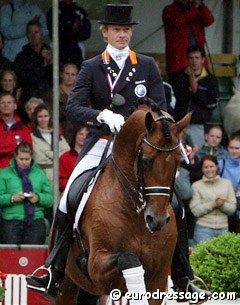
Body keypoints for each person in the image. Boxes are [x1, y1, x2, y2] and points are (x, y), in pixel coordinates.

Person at [26, 4, 210, 303]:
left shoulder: (146, 65)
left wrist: (169, 136)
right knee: (70, 195)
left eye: (126, 30)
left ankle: (184, 277)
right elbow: (73, 107)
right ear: (105, 32)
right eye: (116, 30)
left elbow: (161, 109)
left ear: (131, 32)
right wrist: (101, 116)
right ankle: (53, 270)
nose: (122, 34)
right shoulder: (91, 66)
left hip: (140, 144)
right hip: (101, 140)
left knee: (175, 200)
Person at [0, 142, 53, 244]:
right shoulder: (4, 174)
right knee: (12, 257)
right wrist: (12, 198)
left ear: (31, 157)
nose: (24, 162)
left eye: (27, 159)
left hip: (35, 220)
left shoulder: (40, 174)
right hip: (11, 221)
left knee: (33, 256)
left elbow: (50, 199)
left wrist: (38, 198)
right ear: (15, 157)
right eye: (21, 159)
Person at [171, 45, 219, 149]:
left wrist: (196, 91)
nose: (194, 61)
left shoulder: (211, 80)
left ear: (203, 59)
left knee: (196, 156)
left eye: (197, 58)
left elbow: (212, 104)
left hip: (198, 125)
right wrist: (189, 90)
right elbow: (175, 101)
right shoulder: (179, 77)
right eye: (191, 58)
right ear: (187, 59)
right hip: (179, 124)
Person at [190, 155, 236, 244]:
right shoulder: (196, 186)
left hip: (223, 228)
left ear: (217, 167)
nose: (209, 169)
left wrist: (222, 204)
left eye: (211, 166)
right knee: (204, 257)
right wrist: (214, 203)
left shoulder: (227, 183)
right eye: (206, 167)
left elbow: (232, 208)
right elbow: (195, 211)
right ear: (202, 169)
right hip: (203, 229)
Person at [162, 0, 214, 78]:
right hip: (178, 63)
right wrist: (195, 8)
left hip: (197, 63)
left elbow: (209, 20)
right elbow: (178, 21)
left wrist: (201, 5)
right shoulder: (169, 10)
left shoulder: (196, 9)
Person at [13, 20, 53, 104]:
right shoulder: (21, 57)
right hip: (29, 101)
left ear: (41, 34)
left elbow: (57, 78)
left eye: (36, 32)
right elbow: (25, 79)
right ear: (27, 35)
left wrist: (49, 63)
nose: (33, 36)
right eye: (30, 33)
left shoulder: (52, 54)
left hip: (49, 100)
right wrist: (43, 63)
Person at [47, 0, 91, 68]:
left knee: (76, 70)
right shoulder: (54, 11)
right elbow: (52, 33)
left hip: (76, 46)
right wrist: (71, 29)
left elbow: (86, 33)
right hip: (58, 46)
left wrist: (76, 31)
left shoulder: (80, 12)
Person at [44, 63, 79, 144]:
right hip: (58, 134)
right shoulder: (51, 94)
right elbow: (49, 114)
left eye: (73, 74)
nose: (70, 77)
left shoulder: (81, 94)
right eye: (67, 73)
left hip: (77, 136)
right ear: (61, 74)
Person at [0, 92, 32, 169]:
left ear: (15, 106)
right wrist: (16, 145)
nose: (6, 105)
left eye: (9, 102)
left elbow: (27, 150)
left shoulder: (23, 128)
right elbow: (20, 149)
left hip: (18, 172)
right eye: (3, 102)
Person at [218, 134, 240, 233]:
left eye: (237, 148)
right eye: (231, 148)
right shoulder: (220, 164)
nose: (234, 151)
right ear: (227, 148)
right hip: (222, 210)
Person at [59, 125, 88, 193]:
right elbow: (61, 179)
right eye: (81, 134)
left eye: (86, 134)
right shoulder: (65, 157)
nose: (84, 137)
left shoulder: (92, 156)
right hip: (70, 192)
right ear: (75, 135)